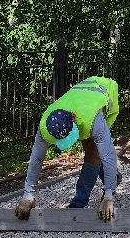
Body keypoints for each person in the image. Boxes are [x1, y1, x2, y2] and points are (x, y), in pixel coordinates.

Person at [15, 75, 119, 221]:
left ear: (74, 119)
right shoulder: (46, 126)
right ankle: (114, 177)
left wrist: (109, 196)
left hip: (105, 93)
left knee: (95, 152)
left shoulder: (92, 120)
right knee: (92, 151)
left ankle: (80, 203)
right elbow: (36, 158)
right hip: (81, 99)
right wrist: (28, 195)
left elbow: (108, 155)